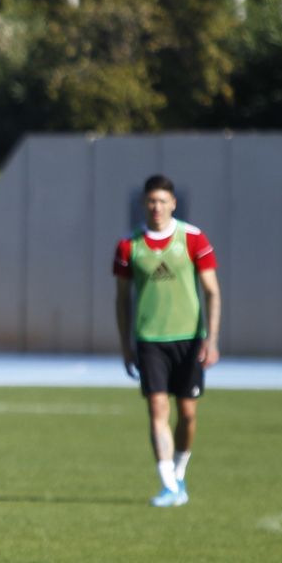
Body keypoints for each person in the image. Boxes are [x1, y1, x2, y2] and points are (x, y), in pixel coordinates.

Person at [113, 174, 222, 508]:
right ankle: (168, 484)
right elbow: (121, 299)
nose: (156, 207)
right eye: (151, 201)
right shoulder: (129, 246)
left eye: (162, 201)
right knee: (157, 408)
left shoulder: (193, 238)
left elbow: (211, 291)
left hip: (189, 339)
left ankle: (178, 472)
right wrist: (126, 345)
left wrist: (212, 339)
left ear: (173, 203)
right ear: (143, 204)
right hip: (150, 340)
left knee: (187, 414)